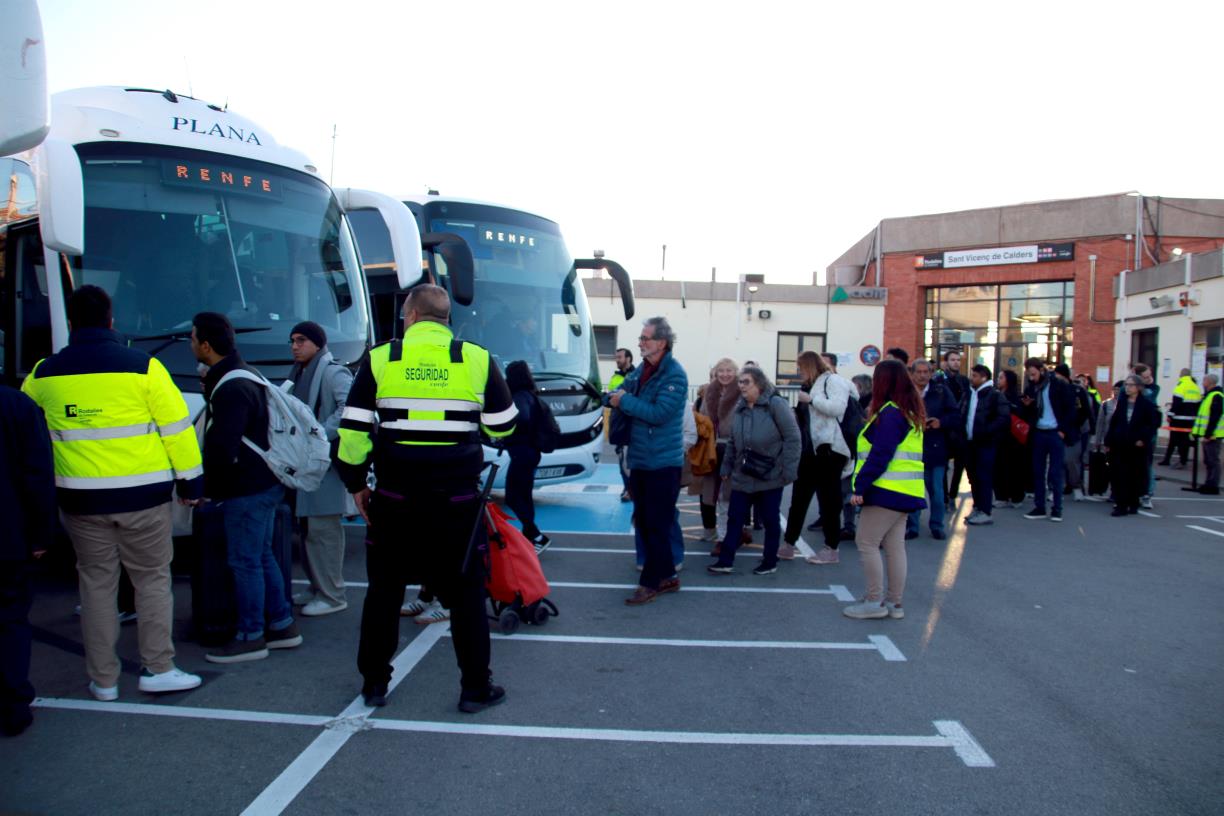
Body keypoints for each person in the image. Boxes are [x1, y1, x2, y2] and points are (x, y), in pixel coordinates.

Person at [337, 285, 517, 712]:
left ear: (412, 315)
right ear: (446, 318)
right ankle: (475, 688)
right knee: (467, 595)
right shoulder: (475, 357)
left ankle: (375, 684)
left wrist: (356, 484)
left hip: (395, 498)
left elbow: (352, 432)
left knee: (383, 592)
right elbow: (503, 427)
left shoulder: (381, 358)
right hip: (456, 504)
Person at [22, 286, 204, 699]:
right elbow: (177, 433)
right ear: (111, 321)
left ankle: (103, 679)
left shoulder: (43, 375)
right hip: (144, 499)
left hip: (80, 501)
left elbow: (28, 435)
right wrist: (191, 484)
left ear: (70, 323)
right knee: (153, 580)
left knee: (96, 586)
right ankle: (158, 668)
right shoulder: (144, 367)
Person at [193, 311, 303, 664]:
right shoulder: (246, 374)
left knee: (244, 561)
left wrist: (208, 488)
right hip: (267, 481)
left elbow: (223, 446)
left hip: (246, 487)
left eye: (193, 338)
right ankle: (282, 624)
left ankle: (250, 635)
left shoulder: (231, 386)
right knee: (262, 555)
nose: (191, 344)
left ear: (206, 346)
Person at [607, 317, 688, 605]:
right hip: (641, 460)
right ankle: (667, 576)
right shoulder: (643, 368)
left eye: (645, 338)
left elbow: (658, 414)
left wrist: (623, 401)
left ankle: (650, 583)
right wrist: (610, 396)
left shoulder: (674, 375)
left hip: (663, 463)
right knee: (644, 521)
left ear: (662, 343)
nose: (640, 343)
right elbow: (625, 388)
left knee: (655, 523)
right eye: (641, 338)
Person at [842, 359, 925, 620]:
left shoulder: (889, 414)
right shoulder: (908, 412)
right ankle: (893, 603)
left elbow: (881, 454)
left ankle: (874, 601)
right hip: (905, 491)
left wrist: (861, 485)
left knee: (866, 542)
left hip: (884, 490)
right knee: (894, 547)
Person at [286, 321, 354, 617]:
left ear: (317, 343)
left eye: (301, 340)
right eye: (293, 340)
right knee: (309, 529)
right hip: (306, 463)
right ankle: (319, 587)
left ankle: (332, 594)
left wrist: (319, 433)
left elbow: (347, 408)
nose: (295, 346)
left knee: (323, 531)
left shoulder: (331, 371)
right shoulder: (300, 372)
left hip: (325, 464)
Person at [708, 365, 800, 576]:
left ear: (759, 383)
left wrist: (788, 471)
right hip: (743, 473)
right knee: (734, 517)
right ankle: (725, 561)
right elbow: (732, 440)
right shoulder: (740, 407)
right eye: (740, 382)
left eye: (745, 382)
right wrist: (726, 466)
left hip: (770, 474)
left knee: (769, 519)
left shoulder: (775, 404)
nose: (741, 386)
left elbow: (793, 438)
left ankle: (769, 561)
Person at [0, 385, 56, 736]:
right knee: (9, 619)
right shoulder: (16, 405)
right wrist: (41, 534)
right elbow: (37, 473)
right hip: (7, 534)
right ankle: (12, 705)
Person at [788, 351, 852, 564]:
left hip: (830, 449)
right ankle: (789, 543)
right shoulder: (809, 386)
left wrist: (812, 400)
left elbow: (838, 408)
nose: (799, 373)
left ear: (810, 366)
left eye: (801, 368)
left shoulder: (833, 381)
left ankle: (831, 548)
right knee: (799, 497)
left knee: (829, 500)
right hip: (811, 449)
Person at [906, 359, 958, 540]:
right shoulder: (905, 392)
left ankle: (937, 524)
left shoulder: (941, 391)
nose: (922, 375)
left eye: (925, 372)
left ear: (931, 373)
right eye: (918, 372)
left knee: (936, 491)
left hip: (936, 447)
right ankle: (912, 526)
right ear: (912, 374)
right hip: (912, 449)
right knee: (914, 490)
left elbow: (955, 414)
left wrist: (940, 422)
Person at [1020, 358, 1076, 523]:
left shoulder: (1058, 385)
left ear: (1041, 370)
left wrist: (1062, 430)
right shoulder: (1032, 387)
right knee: (1038, 471)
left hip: (1054, 433)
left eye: (1034, 374)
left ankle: (1057, 509)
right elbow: (1029, 412)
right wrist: (1028, 405)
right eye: (1029, 375)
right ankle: (1040, 507)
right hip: (1039, 432)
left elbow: (1070, 409)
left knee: (1055, 472)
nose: (1032, 377)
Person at [504, 361, 550, 553]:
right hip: (531, 451)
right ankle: (529, 536)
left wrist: (507, 431)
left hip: (522, 452)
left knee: (513, 496)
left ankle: (536, 535)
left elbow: (521, 418)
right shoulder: (531, 394)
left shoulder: (519, 397)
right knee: (524, 494)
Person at [959, 363, 1009, 525]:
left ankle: (986, 511)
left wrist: (987, 431)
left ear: (983, 377)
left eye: (974, 376)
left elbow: (1003, 418)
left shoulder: (994, 395)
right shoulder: (970, 393)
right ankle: (978, 507)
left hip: (986, 443)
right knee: (973, 478)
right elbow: (963, 412)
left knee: (984, 477)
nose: (971, 378)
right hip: (970, 442)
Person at [1104, 375, 1160, 516]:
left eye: (1131, 385)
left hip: (1136, 446)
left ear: (1139, 387)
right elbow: (1114, 423)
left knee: (1134, 475)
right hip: (1120, 445)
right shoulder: (1122, 403)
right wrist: (1108, 441)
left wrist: (1143, 439)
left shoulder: (1146, 405)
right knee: (1119, 474)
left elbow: (1151, 425)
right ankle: (1121, 505)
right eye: (1126, 385)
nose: (1127, 388)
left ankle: (1133, 502)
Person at [698, 358, 740, 544]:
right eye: (721, 370)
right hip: (710, 449)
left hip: (733, 449)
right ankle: (710, 529)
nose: (725, 374)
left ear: (735, 372)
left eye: (729, 370)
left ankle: (726, 535)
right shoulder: (709, 393)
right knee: (707, 492)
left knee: (728, 494)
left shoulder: (742, 392)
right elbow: (702, 418)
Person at [1055, 363, 1096, 502]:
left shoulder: (1077, 391)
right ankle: (1057, 487)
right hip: (1056, 429)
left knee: (1071, 459)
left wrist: (1082, 426)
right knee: (1057, 461)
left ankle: (1077, 486)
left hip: (1074, 430)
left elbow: (1085, 411)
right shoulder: (1054, 390)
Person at [938, 350, 971, 510]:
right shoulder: (939, 380)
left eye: (958, 360)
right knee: (943, 466)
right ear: (946, 362)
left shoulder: (964, 381)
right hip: (944, 428)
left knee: (960, 465)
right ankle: (944, 497)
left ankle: (952, 495)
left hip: (960, 429)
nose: (956, 363)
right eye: (953, 360)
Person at [993, 369, 1028, 509]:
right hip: (1000, 437)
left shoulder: (1014, 398)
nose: (998, 379)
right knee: (1000, 467)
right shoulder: (996, 395)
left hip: (1013, 439)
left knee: (1013, 468)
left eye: (1001, 377)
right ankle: (1002, 496)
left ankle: (1015, 496)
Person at [1161, 368, 1202, 468]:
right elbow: (1198, 404)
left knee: (1176, 440)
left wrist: (1170, 414)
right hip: (1191, 419)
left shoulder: (1180, 386)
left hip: (1179, 419)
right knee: (1185, 440)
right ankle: (1181, 460)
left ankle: (1178, 461)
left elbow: (1176, 403)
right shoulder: (1196, 387)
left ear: (1181, 375)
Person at [608, 348, 635, 502]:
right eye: (616, 357)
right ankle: (628, 488)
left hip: (632, 424)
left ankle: (631, 489)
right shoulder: (615, 377)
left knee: (631, 460)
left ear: (628, 358)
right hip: (618, 423)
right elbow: (609, 398)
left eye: (619, 357)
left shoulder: (636, 375)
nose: (617, 360)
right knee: (621, 460)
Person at [1192, 374, 1223, 495]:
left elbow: (1214, 417)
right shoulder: (1209, 395)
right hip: (1209, 434)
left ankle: (1213, 485)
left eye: (1204, 380)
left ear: (1209, 382)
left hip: (1213, 435)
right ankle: (1208, 483)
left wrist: (1208, 434)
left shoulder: (1216, 396)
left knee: (1213, 460)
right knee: (1208, 461)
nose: (1202, 382)